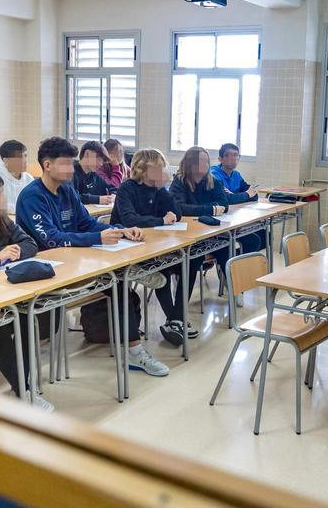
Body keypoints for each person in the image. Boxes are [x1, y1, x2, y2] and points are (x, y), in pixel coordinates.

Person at [17, 137, 169, 377]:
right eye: (66, 164)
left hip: (75, 259)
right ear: (48, 165)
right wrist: (97, 238)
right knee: (118, 279)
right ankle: (131, 272)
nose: (71, 169)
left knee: (121, 287)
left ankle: (135, 353)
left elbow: (86, 222)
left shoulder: (67, 189)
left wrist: (120, 230)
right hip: (49, 269)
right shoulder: (32, 196)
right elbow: (50, 239)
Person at [111, 148, 199, 346]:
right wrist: (161, 220)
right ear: (144, 169)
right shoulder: (127, 188)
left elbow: (176, 213)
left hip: (153, 244)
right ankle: (176, 320)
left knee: (192, 261)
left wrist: (163, 189)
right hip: (128, 247)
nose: (162, 171)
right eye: (158, 168)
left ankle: (176, 320)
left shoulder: (158, 190)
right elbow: (130, 219)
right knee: (164, 268)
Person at [0, 170, 53, 412]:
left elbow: (29, 243)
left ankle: (21, 386)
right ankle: (24, 392)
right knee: (3, 330)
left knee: (25, 317)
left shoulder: (2, 219)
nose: (3, 198)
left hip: (4, 288)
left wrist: (11, 253)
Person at [169, 146, 264, 277]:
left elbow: (224, 204)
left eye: (206, 161)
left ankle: (233, 281)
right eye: (201, 162)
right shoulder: (180, 181)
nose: (205, 165)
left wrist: (206, 208)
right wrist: (211, 208)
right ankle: (230, 279)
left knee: (255, 238)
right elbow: (179, 207)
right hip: (190, 232)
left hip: (212, 229)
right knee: (218, 251)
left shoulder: (213, 179)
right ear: (190, 163)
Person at [0, 139, 35, 215]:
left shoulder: (29, 178)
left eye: (25, 155)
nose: (25, 160)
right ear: (6, 161)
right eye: (20, 157)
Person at [73, 140, 116, 206]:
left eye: (102, 161)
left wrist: (114, 195)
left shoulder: (95, 175)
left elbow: (113, 188)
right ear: (87, 153)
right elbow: (70, 197)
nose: (101, 164)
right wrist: (97, 199)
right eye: (98, 158)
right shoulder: (69, 173)